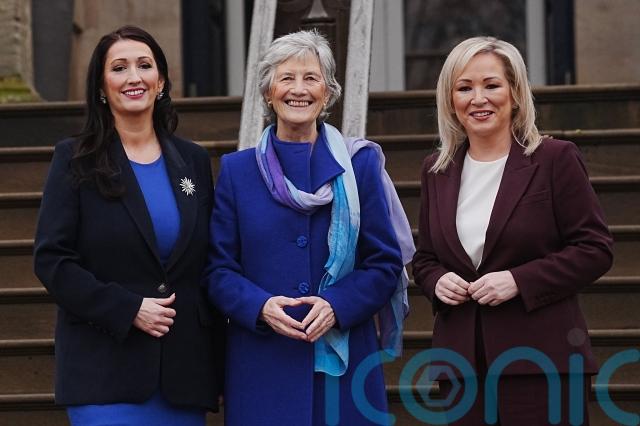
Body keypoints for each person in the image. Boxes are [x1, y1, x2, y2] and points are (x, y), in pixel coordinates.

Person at [204, 29, 413, 425]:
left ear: (328, 92)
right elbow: (218, 270)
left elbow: (385, 263)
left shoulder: (360, 166)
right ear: (268, 92)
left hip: (345, 366)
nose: (298, 89)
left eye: (311, 78)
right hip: (263, 364)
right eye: (286, 78)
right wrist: (260, 307)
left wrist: (337, 304)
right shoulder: (236, 171)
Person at [412, 36, 614, 425]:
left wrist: (519, 280)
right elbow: (425, 258)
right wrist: (436, 281)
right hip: (462, 366)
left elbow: (595, 249)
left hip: (542, 360)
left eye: (491, 85)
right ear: (450, 100)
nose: (478, 98)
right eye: (464, 88)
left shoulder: (555, 159)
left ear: (515, 93)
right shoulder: (436, 169)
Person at [33, 26, 224, 426]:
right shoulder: (74, 159)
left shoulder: (192, 161)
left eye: (144, 65)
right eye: (119, 68)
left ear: (161, 81)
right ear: (102, 86)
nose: (134, 77)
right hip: (104, 372)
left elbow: (209, 263)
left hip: (183, 376)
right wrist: (128, 308)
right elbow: (53, 261)